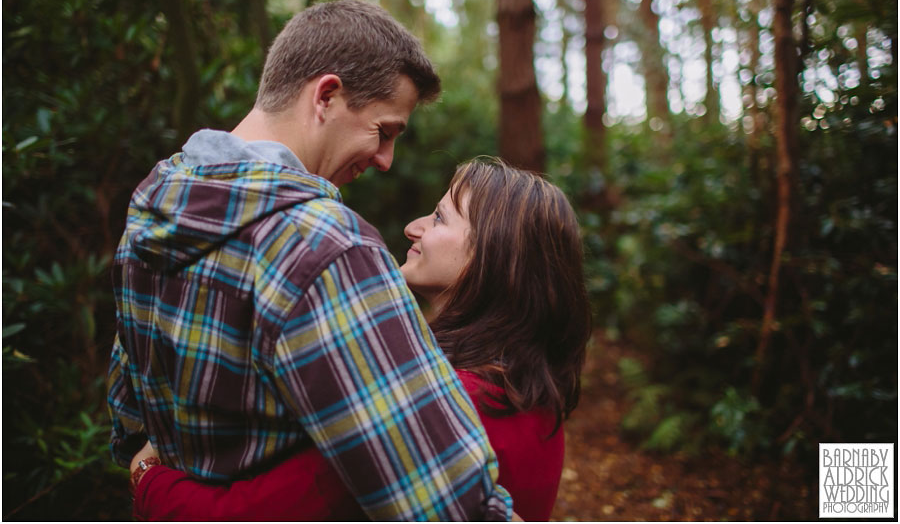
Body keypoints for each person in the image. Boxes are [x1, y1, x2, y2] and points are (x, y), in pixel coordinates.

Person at [106, 0, 515, 521]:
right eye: (384, 131)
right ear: (326, 96)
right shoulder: (327, 248)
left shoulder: (154, 207)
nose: (386, 161)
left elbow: (127, 419)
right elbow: (445, 502)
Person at [128, 157, 592, 521]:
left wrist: (147, 475)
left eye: (439, 217)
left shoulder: (451, 401)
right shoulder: (528, 390)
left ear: (496, 257)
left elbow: (254, 515)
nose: (414, 226)